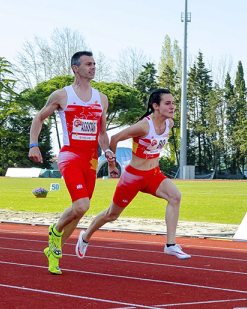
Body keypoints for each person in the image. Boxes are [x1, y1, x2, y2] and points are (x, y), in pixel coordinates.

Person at [75, 88, 191, 260]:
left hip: (153, 175)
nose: (172, 107)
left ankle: (171, 245)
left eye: (173, 103)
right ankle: (85, 237)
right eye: (168, 103)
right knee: (111, 215)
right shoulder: (144, 126)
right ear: (155, 106)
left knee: (175, 197)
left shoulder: (169, 124)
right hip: (133, 178)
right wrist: (112, 165)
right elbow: (114, 139)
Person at [29, 51, 117, 275]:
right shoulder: (62, 95)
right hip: (70, 156)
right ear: (75, 68)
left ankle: (53, 253)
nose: (93, 67)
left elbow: (102, 133)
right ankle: (55, 231)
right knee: (82, 206)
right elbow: (38, 117)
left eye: (95, 63)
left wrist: (106, 150)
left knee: (79, 211)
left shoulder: (102, 99)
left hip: (91, 159)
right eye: (88, 64)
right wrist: (33, 144)